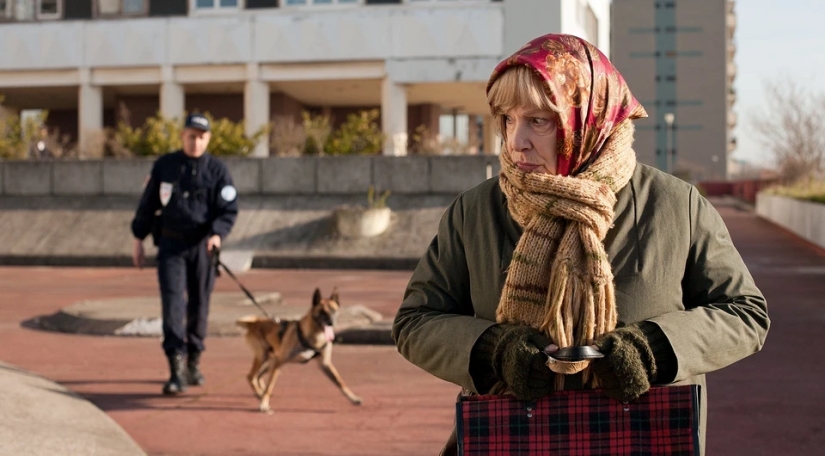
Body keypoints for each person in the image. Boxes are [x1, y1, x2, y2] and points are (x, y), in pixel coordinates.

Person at [392, 33, 769, 455]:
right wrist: (492, 351)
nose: (516, 141)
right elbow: (416, 320)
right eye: (507, 119)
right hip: (514, 439)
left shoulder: (675, 204)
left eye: (539, 120)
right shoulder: (474, 211)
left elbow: (744, 314)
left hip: (641, 438)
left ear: (590, 118)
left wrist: (655, 349)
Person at [131, 113, 238, 395]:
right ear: (183, 136)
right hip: (171, 247)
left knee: (199, 306)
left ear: (208, 139)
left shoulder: (217, 170)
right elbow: (147, 204)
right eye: (191, 135)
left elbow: (228, 209)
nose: (196, 141)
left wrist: (217, 234)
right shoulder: (165, 166)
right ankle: (175, 368)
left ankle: (194, 361)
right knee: (173, 306)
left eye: (201, 136)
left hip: (203, 247)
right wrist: (138, 238)